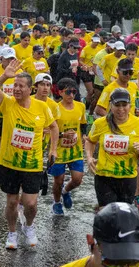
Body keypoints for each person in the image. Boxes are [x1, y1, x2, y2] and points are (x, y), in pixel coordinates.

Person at [0, 59, 58, 249]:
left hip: (32, 164)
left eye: (21, 86)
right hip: (9, 163)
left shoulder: (42, 107)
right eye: (15, 86)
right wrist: (5, 76)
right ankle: (12, 233)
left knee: (30, 204)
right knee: (11, 202)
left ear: (30, 89)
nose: (17, 89)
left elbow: (54, 127)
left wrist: (53, 149)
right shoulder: (9, 104)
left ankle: (29, 226)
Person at [85, 88, 139, 207]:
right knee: (107, 214)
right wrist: (89, 157)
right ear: (110, 105)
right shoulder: (100, 123)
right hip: (104, 177)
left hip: (127, 178)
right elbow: (90, 141)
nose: (121, 109)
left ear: (130, 106)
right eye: (117, 105)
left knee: (122, 216)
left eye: (124, 105)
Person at [49, 78, 86, 215]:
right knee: (58, 180)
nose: (71, 95)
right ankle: (57, 202)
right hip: (59, 150)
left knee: (77, 179)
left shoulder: (80, 106)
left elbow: (83, 123)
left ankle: (65, 192)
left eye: (74, 92)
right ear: (60, 92)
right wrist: (62, 135)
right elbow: (50, 130)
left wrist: (83, 136)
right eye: (68, 92)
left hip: (75, 150)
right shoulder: (55, 109)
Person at [0, 48, 22, 162]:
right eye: (8, 59)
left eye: (12, 59)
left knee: (12, 138)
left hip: (11, 111)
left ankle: (6, 160)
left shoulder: (18, 72)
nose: (10, 62)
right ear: (1, 59)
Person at [79, 34, 100, 107]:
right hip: (86, 72)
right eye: (95, 42)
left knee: (94, 91)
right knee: (90, 91)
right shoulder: (85, 49)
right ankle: (86, 106)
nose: (96, 43)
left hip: (94, 71)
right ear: (92, 41)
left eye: (98, 42)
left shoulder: (99, 49)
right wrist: (86, 66)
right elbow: (80, 60)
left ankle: (87, 102)